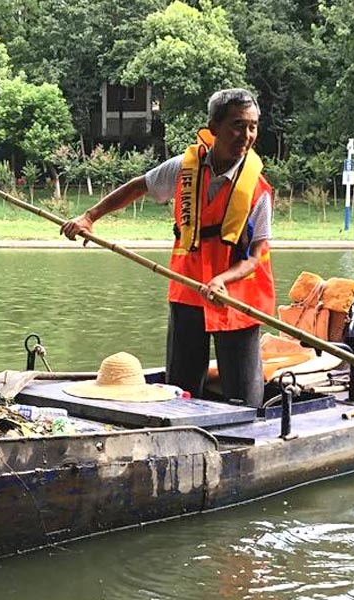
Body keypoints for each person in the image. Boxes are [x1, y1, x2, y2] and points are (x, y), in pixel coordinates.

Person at [60, 88, 275, 406]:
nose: (246, 135)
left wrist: (223, 280)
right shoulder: (183, 169)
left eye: (253, 126)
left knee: (244, 396)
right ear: (213, 127)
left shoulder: (258, 190)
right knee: (180, 389)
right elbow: (138, 186)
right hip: (188, 289)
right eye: (237, 125)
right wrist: (90, 216)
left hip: (238, 298)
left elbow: (256, 256)